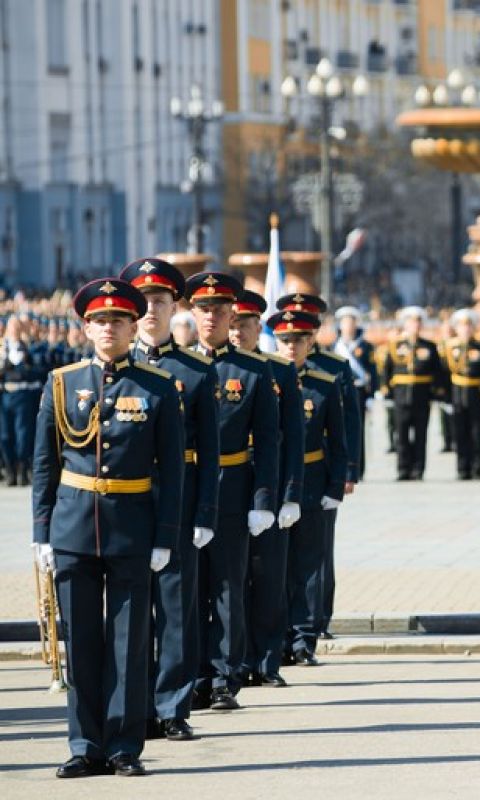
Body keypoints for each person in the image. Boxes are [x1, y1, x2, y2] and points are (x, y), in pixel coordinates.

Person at [32, 277, 185, 778]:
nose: (108, 329)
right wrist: (41, 533)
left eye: (118, 320)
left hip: (132, 527)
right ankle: (83, 743)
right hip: (74, 528)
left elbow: (173, 470)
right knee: (80, 644)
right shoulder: (61, 383)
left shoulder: (157, 387)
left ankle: (123, 746)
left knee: (128, 643)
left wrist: (165, 536)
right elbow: (45, 465)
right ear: (86, 327)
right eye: (99, 321)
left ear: (131, 325)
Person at [119, 258, 220, 742]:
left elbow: (212, 450)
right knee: (132, 612)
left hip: (177, 501)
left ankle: (172, 706)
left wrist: (205, 511)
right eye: (145, 303)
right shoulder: (118, 369)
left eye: (161, 302)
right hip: (129, 501)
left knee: (178, 609)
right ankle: (137, 705)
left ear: (174, 306)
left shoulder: (196, 372)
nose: (152, 311)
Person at [187, 272, 280, 712]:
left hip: (232, 486)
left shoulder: (253, 371)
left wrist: (263, 501)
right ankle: (194, 674)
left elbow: (268, 440)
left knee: (227, 587)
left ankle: (225, 675)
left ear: (232, 318)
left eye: (220, 312)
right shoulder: (179, 368)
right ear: (192, 314)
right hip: (187, 491)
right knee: (188, 588)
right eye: (204, 311)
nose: (212, 318)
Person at [228, 290, 305, 686]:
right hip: (231, 482)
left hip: (271, 486)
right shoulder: (215, 366)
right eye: (233, 322)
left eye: (245, 323)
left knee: (270, 576)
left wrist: (291, 493)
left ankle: (268, 660)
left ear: (260, 326)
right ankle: (236, 661)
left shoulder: (280, 371)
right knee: (233, 580)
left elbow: (293, 438)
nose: (238, 330)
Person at [275, 293, 359, 641]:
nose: (296, 338)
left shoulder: (334, 368)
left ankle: (317, 618)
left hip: (318, 469)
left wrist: (348, 471)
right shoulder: (274, 369)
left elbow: (348, 422)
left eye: (304, 328)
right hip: (281, 474)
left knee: (318, 551)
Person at [380, 306, 445, 480]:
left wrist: (437, 392)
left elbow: (437, 372)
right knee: (401, 434)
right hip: (401, 396)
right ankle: (403, 469)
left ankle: (418, 469)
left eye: (417, 322)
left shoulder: (429, 346)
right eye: (411, 322)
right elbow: (387, 370)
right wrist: (386, 390)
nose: (414, 325)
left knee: (421, 434)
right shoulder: (395, 346)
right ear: (405, 324)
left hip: (422, 396)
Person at [442, 308, 480, 480]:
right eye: (462, 326)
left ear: (473, 328)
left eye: (469, 326)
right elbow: (444, 375)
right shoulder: (449, 347)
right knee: (459, 433)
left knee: (476, 433)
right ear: (456, 328)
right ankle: (462, 468)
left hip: (475, 393)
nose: (465, 329)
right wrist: (446, 399)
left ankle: (476, 469)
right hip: (457, 392)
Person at [1, 315, 50, 485]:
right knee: (5, 435)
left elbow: (40, 371)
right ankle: (10, 470)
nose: (14, 329)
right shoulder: (2, 348)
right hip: (6, 394)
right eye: (11, 326)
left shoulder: (30, 348)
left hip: (24, 395)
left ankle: (22, 470)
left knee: (23, 435)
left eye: (17, 326)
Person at [333, 306, 375, 477]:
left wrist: (372, 395)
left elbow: (373, 371)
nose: (348, 326)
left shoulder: (365, 346)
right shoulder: (333, 346)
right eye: (345, 323)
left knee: (357, 431)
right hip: (338, 392)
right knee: (337, 430)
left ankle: (358, 468)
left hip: (358, 391)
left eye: (351, 323)